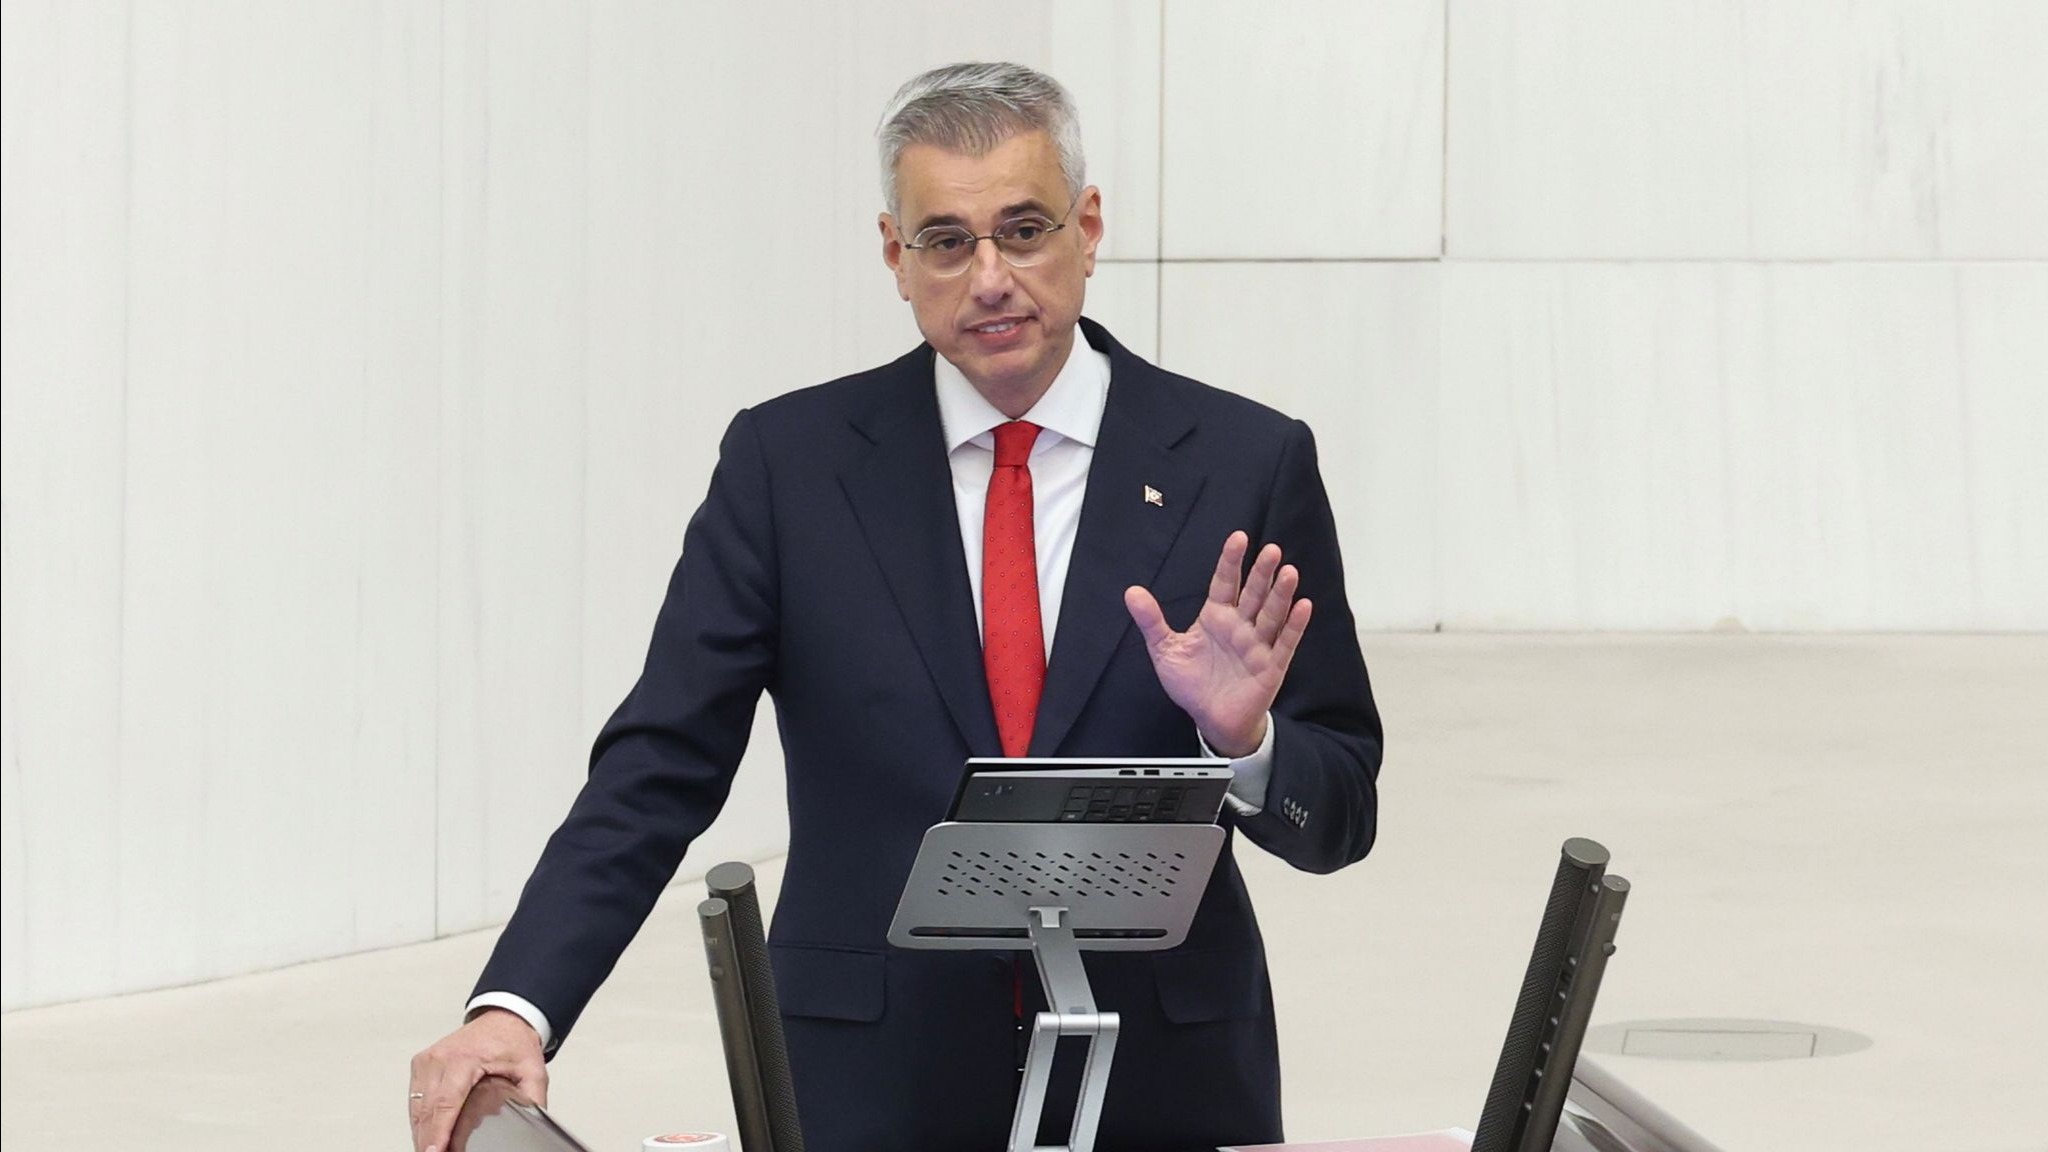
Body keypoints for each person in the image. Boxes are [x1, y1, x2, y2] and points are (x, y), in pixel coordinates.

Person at [409, 61, 1382, 1152]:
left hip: (1165, 1082)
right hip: (870, 1084)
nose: (990, 277)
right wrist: (517, 1005)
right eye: (947, 241)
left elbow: (1342, 810)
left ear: (1088, 227)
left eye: (1024, 230)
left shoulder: (1245, 462)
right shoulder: (789, 468)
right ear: (894, 256)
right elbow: (658, 764)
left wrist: (1242, 743)